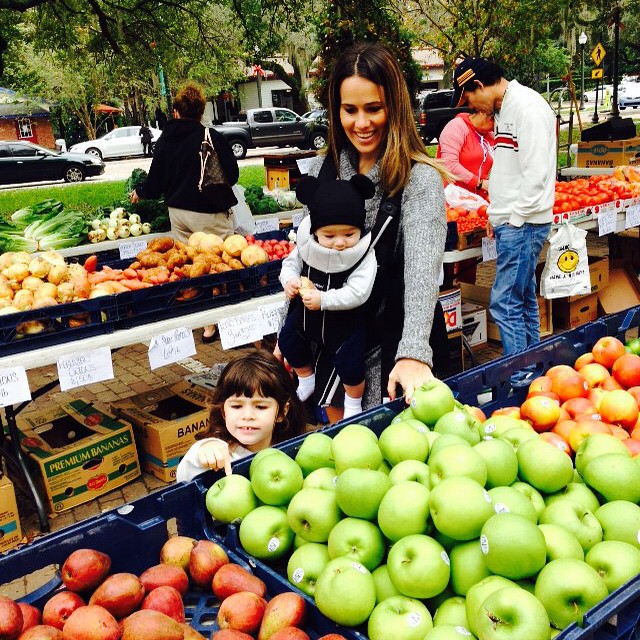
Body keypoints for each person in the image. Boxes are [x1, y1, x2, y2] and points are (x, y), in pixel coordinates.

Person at [276, 42, 450, 410]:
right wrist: (285, 329)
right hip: (331, 341)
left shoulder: (419, 179)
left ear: (395, 107)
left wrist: (415, 351)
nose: (361, 123)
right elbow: (306, 256)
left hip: (392, 348)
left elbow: (422, 273)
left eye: (374, 109)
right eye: (349, 110)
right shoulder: (328, 170)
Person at [450, 57, 555, 355]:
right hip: (513, 220)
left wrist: (515, 219)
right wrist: (497, 213)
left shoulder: (527, 108)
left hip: (522, 223)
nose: (473, 108)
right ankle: (534, 369)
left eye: (470, 99)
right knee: (521, 298)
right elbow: (509, 168)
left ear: (480, 86)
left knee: (504, 303)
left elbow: (536, 174)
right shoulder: (505, 109)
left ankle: (519, 374)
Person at [130, 82, 239, 342]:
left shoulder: (165, 141)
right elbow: (232, 176)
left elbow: (155, 183)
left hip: (178, 214)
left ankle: (205, 323)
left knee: (192, 266)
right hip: (209, 213)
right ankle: (232, 323)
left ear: (176, 112)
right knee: (223, 264)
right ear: (201, 112)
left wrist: (140, 191)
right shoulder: (211, 137)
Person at [278, 173, 378, 419]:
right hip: (306, 320)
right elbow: (289, 265)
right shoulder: (307, 246)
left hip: (343, 325)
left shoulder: (364, 255)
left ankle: (353, 404)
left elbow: (359, 292)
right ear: (315, 233)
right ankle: (306, 378)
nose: (340, 243)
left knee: (351, 365)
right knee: (288, 340)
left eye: (349, 234)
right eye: (330, 236)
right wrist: (289, 282)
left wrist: (324, 300)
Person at [176, 350, 306, 483]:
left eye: (260, 407)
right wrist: (203, 450)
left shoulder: (291, 451)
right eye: (237, 406)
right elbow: (184, 477)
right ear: (223, 411)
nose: (248, 416)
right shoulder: (222, 455)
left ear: (282, 412)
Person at [437, 111, 494, 199]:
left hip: (478, 200)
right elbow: (449, 165)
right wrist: (479, 183)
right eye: (494, 121)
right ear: (484, 113)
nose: (496, 127)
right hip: (453, 197)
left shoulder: (490, 134)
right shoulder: (456, 127)